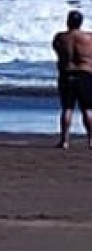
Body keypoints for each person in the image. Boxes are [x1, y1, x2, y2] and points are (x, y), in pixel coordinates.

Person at [52, 10, 92, 149]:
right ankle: (91, 140)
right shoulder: (89, 38)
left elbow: (57, 51)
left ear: (68, 21)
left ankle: (64, 140)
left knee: (67, 108)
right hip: (85, 73)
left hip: (67, 73)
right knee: (87, 109)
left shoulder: (61, 37)